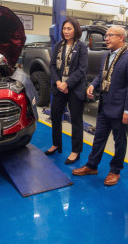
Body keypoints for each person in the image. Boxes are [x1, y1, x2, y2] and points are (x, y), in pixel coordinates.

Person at [72, 25, 128, 186]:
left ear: (121, 38)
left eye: (110, 35)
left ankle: (115, 170)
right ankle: (92, 165)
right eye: (106, 35)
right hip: (104, 105)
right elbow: (102, 75)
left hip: (120, 108)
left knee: (119, 141)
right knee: (98, 138)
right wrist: (92, 85)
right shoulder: (107, 56)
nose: (106, 38)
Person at [45, 17, 88, 164]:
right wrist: (58, 82)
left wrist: (67, 84)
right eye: (64, 29)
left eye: (69, 28)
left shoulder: (81, 47)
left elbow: (82, 70)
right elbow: (52, 66)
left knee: (76, 120)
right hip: (59, 87)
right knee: (55, 115)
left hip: (74, 88)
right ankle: (56, 144)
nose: (66, 31)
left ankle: (76, 151)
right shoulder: (58, 45)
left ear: (76, 30)